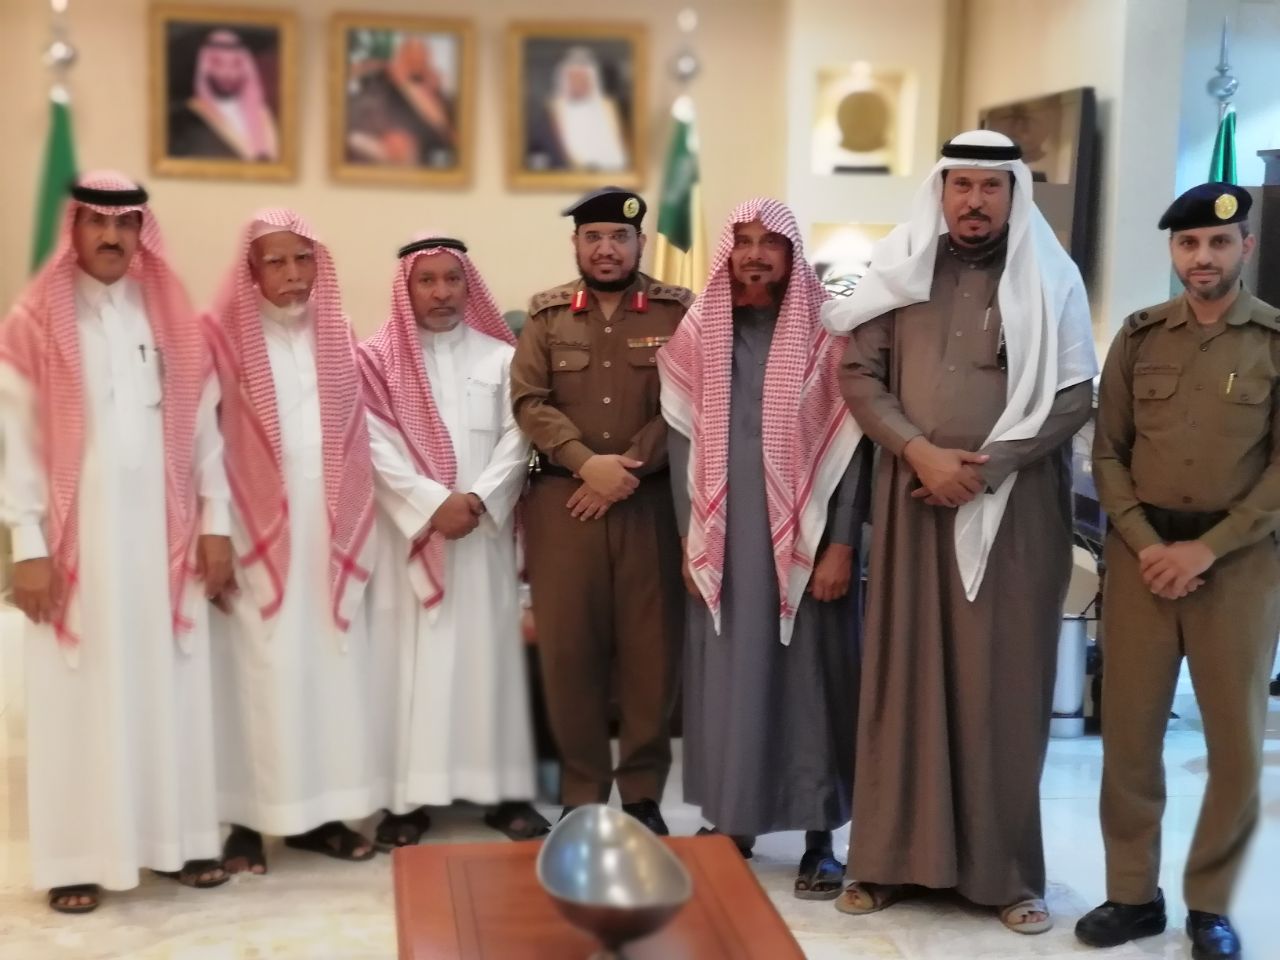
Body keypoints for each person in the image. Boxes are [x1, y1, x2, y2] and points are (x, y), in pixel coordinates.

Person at [825, 130, 1097, 933]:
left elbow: (1075, 394)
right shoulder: (901, 269)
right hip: (912, 504)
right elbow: (857, 373)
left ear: (1014, 193)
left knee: (1003, 689)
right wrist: (920, 452)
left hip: (1013, 511)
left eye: (990, 186)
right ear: (941, 191)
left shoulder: (1051, 277)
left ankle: (1005, 877)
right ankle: (885, 862)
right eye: (962, 185)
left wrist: (988, 466)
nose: (975, 201)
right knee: (902, 682)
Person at [0, 171, 235, 912]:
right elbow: (15, 439)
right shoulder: (33, 321)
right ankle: (75, 857)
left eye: (126, 223)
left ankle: (177, 843)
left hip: (166, 539)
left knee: (170, 688)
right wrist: (27, 544)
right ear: (72, 228)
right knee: (78, 695)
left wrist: (217, 524)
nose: (111, 236)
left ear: (141, 233)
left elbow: (207, 433)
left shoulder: (171, 318)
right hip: (75, 545)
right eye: (97, 222)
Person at [1077, 182, 1280, 960]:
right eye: (1189, 243)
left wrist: (1208, 548)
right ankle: (1133, 896)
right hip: (1142, 562)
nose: (1203, 256)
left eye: (1219, 242)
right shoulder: (1139, 337)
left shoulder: (1272, 341)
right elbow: (1108, 452)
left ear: (1244, 248)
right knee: (1130, 740)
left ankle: (1210, 907)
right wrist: (1145, 541)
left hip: (1240, 567)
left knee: (1235, 746)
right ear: (1173, 250)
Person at [658, 198, 867, 897]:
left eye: (768, 243)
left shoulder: (828, 336)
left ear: (790, 256)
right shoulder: (698, 337)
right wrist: (690, 539)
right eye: (742, 242)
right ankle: (732, 820)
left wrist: (841, 545)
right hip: (723, 542)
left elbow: (851, 452)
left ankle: (820, 840)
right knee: (729, 684)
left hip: (810, 546)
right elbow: (681, 443)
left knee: (813, 686)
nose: (753, 255)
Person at [204, 209, 378, 874]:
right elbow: (201, 442)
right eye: (276, 261)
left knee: (327, 671)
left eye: (303, 259)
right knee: (259, 674)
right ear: (251, 269)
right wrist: (215, 532)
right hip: (251, 532)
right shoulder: (221, 338)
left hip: (327, 531)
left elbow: (355, 436)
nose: (293, 274)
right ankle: (249, 823)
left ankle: (321, 815)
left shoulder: (336, 332)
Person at [359, 234, 548, 844]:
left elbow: (520, 438)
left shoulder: (503, 357)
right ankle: (407, 801)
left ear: (469, 285)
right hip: (410, 539)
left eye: (452, 279)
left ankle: (502, 794)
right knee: (407, 666)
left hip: (482, 537)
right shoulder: (374, 362)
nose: (441, 292)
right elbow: (371, 445)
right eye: (427, 281)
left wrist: (478, 500)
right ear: (407, 288)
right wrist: (431, 504)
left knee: (489, 664)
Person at [510, 187, 688, 831]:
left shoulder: (678, 313)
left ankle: (641, 794)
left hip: (650, 505)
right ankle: (581, 791)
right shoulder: (548, 315)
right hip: (566, 505)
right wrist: (586, 463)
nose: (606, 249)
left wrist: (624, 469)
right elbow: (529, 400)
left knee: (652, 654)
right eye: (594, 238)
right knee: (570, 655)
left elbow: (687, 401)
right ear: (576, 244)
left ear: (640, 244)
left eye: (619, 237)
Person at [169, 28, 279, 162]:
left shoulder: (264, 114)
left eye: (235, 63)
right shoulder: (185, 117)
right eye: (218, 63)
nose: (227, 73)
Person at [526, 47, 629, 172]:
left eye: (583, 78)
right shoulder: (550, 115)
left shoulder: (608, 111)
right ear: (564, 81)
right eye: (573, 78)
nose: (578, 83)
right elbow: (537, 154)